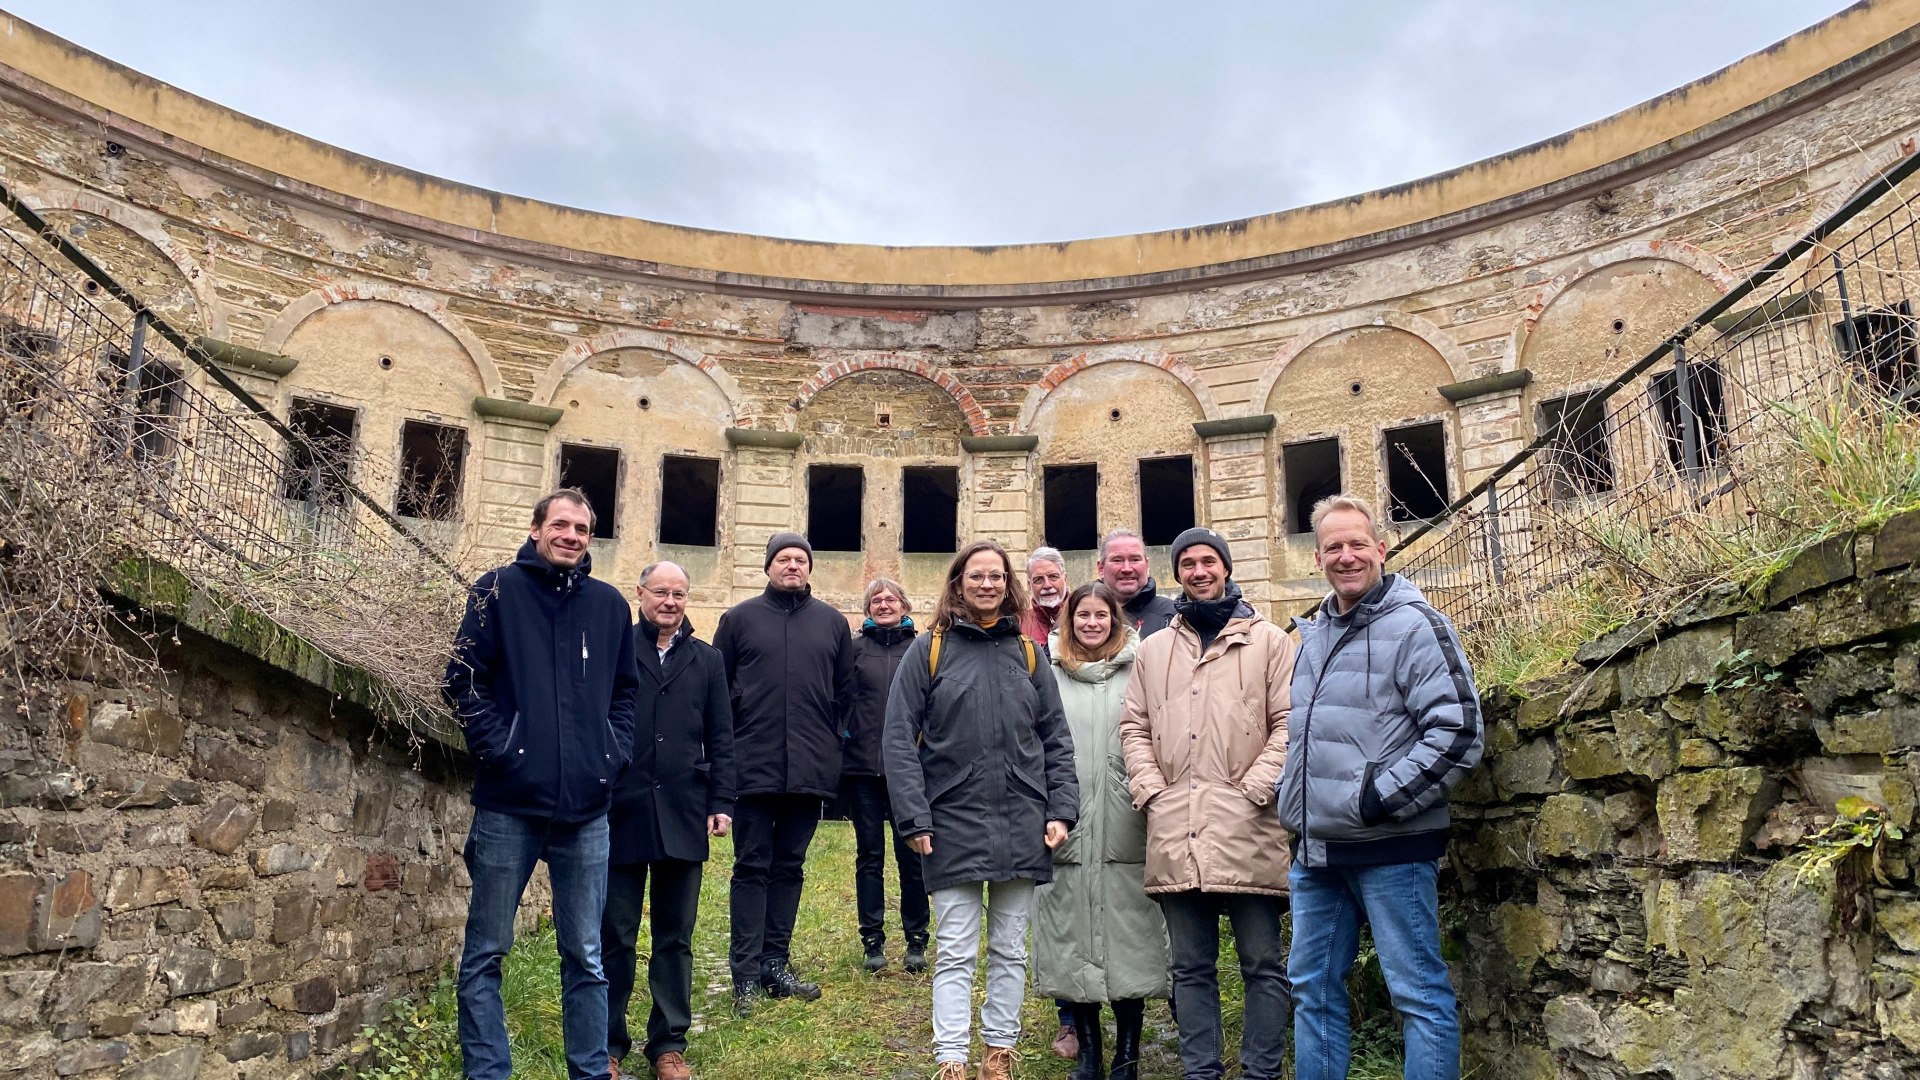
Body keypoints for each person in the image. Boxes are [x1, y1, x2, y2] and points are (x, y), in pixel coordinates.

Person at [1280, 495, 1483, 1080]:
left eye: (1357, 544)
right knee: (1312, 992)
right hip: (1317, 854)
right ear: (1318, 556)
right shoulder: (1314, 634)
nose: (1346, 556)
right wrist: (1290, 799)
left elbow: (1459, 730)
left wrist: (1375, 801)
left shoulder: (1416, 625)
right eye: (1333, 547)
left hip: (1390, 848)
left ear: (1381, 549)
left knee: (1417, 994)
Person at [444, 489, 639, 1080]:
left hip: (587, 811)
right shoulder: (496, 590)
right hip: (510, 805)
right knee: (486, 954)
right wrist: (504, 749)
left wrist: (611, 755)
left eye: (582, 528)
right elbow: (464, 682)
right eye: (561, 524)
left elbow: (624, 694)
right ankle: (488, 1073)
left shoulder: (609, 607)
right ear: (536, 530)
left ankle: (589, 1070)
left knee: (585, 956)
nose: (572, 536)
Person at [884, 540, 1078, 1080]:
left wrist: (1061, 809)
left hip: (1022, 818)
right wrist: (914, 817)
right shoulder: (928, 649)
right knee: (955, 950)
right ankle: (951, 1058)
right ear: (957, 584)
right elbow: (899, 738)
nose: (987, 585)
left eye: (996, 576)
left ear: (1008, 584)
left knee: (1011, 948)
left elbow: (1055, 738)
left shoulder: (1029, 653)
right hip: (950, 821)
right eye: (977, 576)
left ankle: (998, 1051)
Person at [1120, 527, 1295, 1080]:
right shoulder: (1153, 650)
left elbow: (1289, 724)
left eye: (1208, 561)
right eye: (1188, 563)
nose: (1199, 571)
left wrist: (1255, 788)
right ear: (1178, 574)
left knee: (1262, 963)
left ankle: (1261, 1070)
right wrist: (1152, 790)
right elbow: (1134, 727)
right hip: (1176, 825)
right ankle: (1201, 1071)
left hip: (1250, 822)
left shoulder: (1268, 641)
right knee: (1190, 966)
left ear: (1225, 567)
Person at [602, 561, 735, 1080]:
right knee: (614, 932)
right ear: (640, 594)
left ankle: (668, 1044)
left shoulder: (708, 661)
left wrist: (722, 800)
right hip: (621, 810)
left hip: (683, 810)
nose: (671, 602)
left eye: (680, 593)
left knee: (675, 935)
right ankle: (608, 1043)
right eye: (661, 592)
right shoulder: (618, 650)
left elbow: (722, 735)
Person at [713, 531, 855, 1016]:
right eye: (783, 559)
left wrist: (831, 744)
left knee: (789, 866)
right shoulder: (738, 620)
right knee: (751, 867)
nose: (792, 566)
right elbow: (718, 693)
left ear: (809, 568)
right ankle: (745, 976)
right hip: (751, 764)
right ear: (768, 566)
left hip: (810, 767)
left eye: (800, 559)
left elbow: (845, 694)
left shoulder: (833, 624)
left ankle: (776, 963)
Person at [1033, 583, 1164, 1080]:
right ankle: (1088, 1048)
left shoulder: (1140, 669)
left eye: (1101, 615)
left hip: (1128, 820)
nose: (1091, 623)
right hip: (1065, 820)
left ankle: (1128, 1051)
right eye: (1082, 615)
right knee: (1071, 938)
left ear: (1116, 619)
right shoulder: (1048, 674)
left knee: (1132, 936)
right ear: (1069, 621)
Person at [840, 577, 930, 974]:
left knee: (912, 855)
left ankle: (916, 940)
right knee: (869, 855)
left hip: (910, 770)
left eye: (891, 598)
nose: (884, 604)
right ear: (868, 608)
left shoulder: (923, 649)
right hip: (862, 767)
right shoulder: (855, 649)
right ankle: (872, 940)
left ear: (904, 605)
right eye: (876, 599)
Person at [1098, 529, 1176, 637]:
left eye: (1135, 559)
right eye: (1117, 560)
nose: (1127, 569)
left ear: (1147, 565)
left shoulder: (1173, 616)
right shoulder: (1082, 619)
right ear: (1101, 568)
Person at [1021, 546, 1069, 650]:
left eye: (1053, 577)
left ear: (1065, 579)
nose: (1047, 585)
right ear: (1029, 585)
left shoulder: (1084, 618)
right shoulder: (1019, 624)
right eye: (1038, 579)